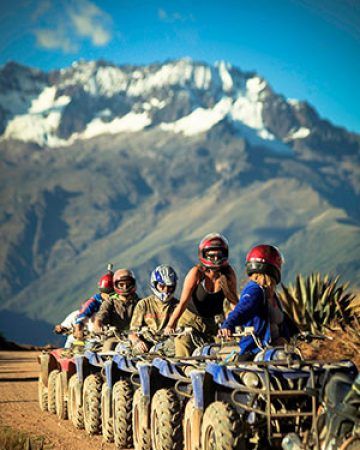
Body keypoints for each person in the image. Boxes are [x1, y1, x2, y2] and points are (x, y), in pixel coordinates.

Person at [164, 232, 238, 356]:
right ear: (203, 255)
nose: (215, 259)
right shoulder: (196, 273)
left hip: (212, 323)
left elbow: (234, 304)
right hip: (189, 321)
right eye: (211, 255)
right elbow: (182, 303)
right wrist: (171, 325)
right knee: (184, 343)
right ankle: (187, 371)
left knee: (227, 349)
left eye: (219, 255)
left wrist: (233, 324)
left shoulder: (229, 274)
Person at [218, 244, 297, 357]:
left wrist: (292, 334)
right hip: (256, 352)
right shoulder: (255, 290)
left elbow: (281, 322)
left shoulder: (272, 294)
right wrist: (228, 325)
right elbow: (242, 309)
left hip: (276, 351)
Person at [129, 264, 179, 354]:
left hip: (168, 345)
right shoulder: (144, 304)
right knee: (135, 353)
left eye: (170, 286)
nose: (166, 290)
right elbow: (132, 332)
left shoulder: (178, 306)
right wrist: (137, 342)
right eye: (162, 286)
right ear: (154, 284)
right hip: (146, 344)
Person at [94, 268, 139, 351]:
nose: (125, 287)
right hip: (115, 337)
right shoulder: (110, 302)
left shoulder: (140, 303)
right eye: (121, 284)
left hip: (136, 337)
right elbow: (102, 313)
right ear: (115, 285)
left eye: (128, 284)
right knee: (107, 349)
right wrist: (98, 323)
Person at [73, 265, 114, 339]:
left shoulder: (118, 301)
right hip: (96, 337)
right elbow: (81, 317)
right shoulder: (93, 302)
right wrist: (78, 330)